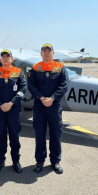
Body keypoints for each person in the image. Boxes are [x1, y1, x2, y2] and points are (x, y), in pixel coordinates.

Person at [28, 43, 69, 174]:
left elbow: (64, 85)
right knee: (39, 134)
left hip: (54, 105)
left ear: (53, 53)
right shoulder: (35, 68)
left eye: (49, 51)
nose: (47, 53)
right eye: (44, 51)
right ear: (41, 54)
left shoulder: (61, 67)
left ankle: (55, 161)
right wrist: (40, 97)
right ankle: (40, 161)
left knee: (55, 134)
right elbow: (31, 85)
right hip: (39, 106)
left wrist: (52, 98)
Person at [0, 49, 26, 173]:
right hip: (0, 110)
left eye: (7, 56)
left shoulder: (19, 72)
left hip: (13, 110)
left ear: (12, 59)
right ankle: (0, 161)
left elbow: (23, 89)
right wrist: (0, 105)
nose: (5, 58)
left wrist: (11, 103)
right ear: (0, 59)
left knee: (15, 136)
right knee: (1, 136)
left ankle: (16, 161)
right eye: (3, 56)